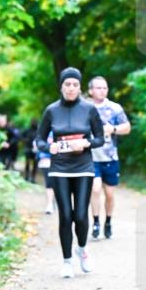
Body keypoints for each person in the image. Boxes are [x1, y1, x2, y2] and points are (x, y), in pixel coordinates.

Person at [36, 68, 105, 278]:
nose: (71, 88)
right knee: (65, 216)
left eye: (75, 84)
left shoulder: (89, 109)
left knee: (81, 216)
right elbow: (39, 140)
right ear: (61, 86)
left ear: (80, 87)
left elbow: (100, 138)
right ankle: (67, 261)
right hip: (59, 169)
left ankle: (82, 250)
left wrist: (86, 142)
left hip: (83, 167)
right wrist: (50, 148)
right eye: (67, 84)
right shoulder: (51, 111)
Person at [87, 76, 131, 240]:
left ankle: (108, 222)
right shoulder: (84, 108)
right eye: (98, 88)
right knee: (95, 189)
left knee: (110, 194)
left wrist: (112, 129)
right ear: (91, 90)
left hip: (110, 156)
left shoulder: (114, 108)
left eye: (105, 88)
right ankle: (96, 222)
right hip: (91, 157)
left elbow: (127, 127)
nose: (102, 91)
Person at [35, 131, 55, 214]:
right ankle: (50, 204)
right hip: (46, 161)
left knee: (54, 184)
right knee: (50, 183)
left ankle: (52, 203)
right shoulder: (46, 131)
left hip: (60, 161)